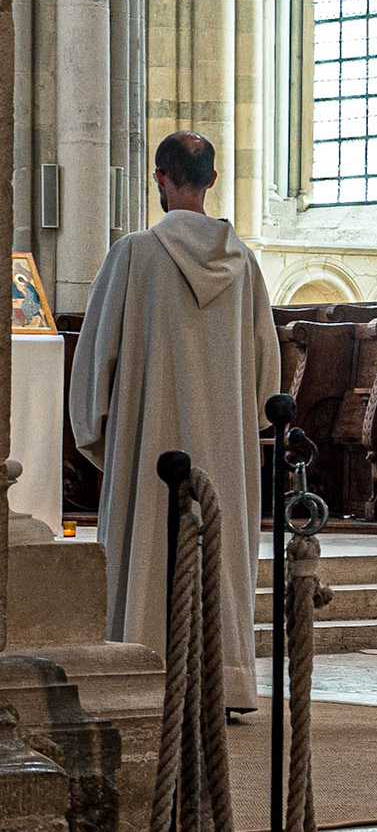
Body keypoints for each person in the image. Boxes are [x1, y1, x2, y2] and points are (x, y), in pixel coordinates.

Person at [71, 132, 279, 712]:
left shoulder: (134, 255)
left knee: (146, 553)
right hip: (224, 457)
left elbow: (94, 365)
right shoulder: (244, 266)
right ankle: (226, 684)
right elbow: (267, 379)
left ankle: (141, 673)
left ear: (158, 178)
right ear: (212, 181)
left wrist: (106, 439)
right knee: (220, 556)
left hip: (149, 450)